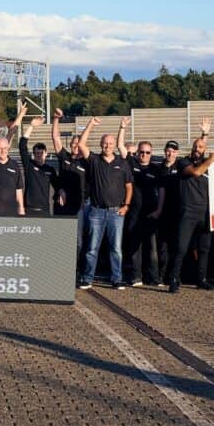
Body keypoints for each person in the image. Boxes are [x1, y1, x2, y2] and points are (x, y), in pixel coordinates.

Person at [76, 117, 133, 290]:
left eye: (110, 143)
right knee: (92, 248)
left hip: (116, 213)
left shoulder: (122, 164)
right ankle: (87, 278)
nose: (107, 146)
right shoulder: (94, 160)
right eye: (104, 143)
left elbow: (129, 187)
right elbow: (81, 145)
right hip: (96, 212)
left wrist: (126, 206)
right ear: (101, 145)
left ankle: (116, 279)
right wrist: (91, 125)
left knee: (116, 249)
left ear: (114, 145)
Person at [166, 118, 214, 293]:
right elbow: (196, 172)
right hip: (188, 211)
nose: (197, 150)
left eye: (200, 148)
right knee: (181, 247)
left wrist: (205, 134)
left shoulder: (208, 167)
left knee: (204, 248)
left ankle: (201, 279)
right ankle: (174, 279)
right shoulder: (183, 163)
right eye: (195, 147)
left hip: (205, 213)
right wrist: (210, 159)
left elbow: (203, 152)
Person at [121, 129, 163, 287]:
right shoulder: (132, 164)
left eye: (147, 152)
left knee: (152, 247)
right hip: (134, 213)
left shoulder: (156, 169)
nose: (144, 154)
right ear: (137, 153)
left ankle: (154, 277)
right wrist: (123, 128)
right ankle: (136, 276)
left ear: (151, 153)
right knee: (134, 247)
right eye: (142, 152)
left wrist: (158, 210)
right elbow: (120, 146)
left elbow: (162, 191)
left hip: (151, 213)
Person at [51, 108, 89, 270]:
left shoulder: (87, 163)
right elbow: (55, 137)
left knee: (78, 241)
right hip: (61, 205)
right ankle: (61, 267)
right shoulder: (64, 157)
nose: (74, 146)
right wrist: (56, 119)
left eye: (77, 144)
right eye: (73, 144)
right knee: (60, 238)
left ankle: (76, 268)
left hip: (78, 207)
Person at [13, 104, 60, 216]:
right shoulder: (29, 166)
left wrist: (61, 192)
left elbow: (58, 186)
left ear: (46, 153)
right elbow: (22, 146)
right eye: (36, 153)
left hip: (44, 210)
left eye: (41, 153)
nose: (39, 155)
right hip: (28, 209)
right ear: (33, 154)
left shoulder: (50, 170)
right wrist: (31, 126)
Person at [155, 140, 182, 286]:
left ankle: (176, 275)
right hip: (163, 212)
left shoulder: (181, 166)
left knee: (177, 245)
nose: (170, 153)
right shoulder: (159, 168)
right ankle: (163, 275)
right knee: (163, 246)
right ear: (165, 151)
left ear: (177, 153)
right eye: (168, 151)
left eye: (173, 151)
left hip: (178, 211)